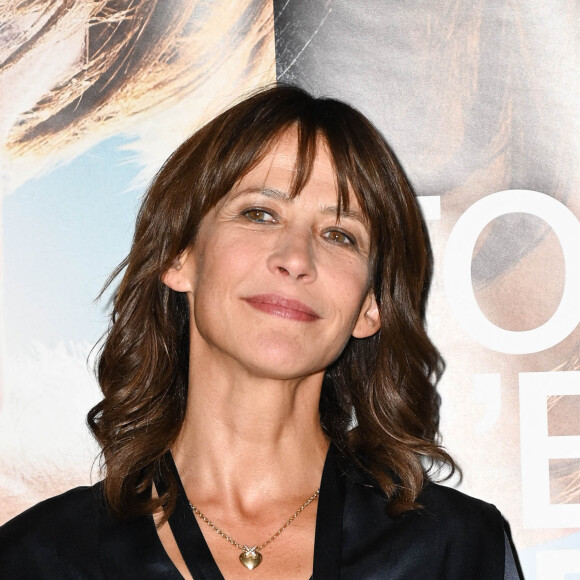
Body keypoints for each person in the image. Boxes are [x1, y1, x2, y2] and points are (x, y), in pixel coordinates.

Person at [0, 85, 521, 579]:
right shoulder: (39, 557)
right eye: (259, 213)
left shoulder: (454, 549)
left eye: (339, 234)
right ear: (180, 257)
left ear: (370, 306)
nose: (295, 258)